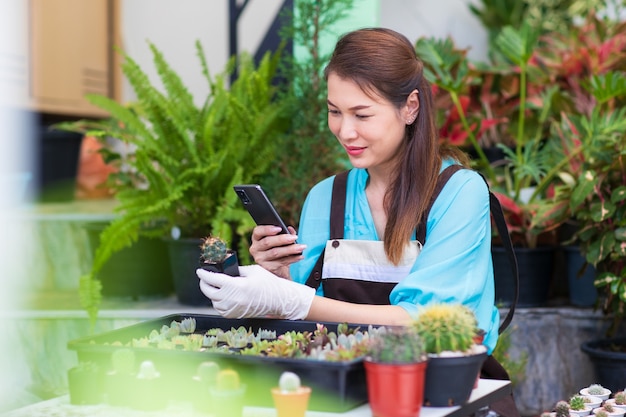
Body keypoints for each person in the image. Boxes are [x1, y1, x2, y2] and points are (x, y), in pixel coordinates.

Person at [197, 27, 519, 417]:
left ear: (410, 107)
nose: (344, 131)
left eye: (362, 114)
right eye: (334, 111)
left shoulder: (458, 193)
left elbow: (422, 323)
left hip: (442, 398)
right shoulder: (324, 197)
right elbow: (308, 321)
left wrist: (294, 300)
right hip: (343, 395)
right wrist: (277, 279)